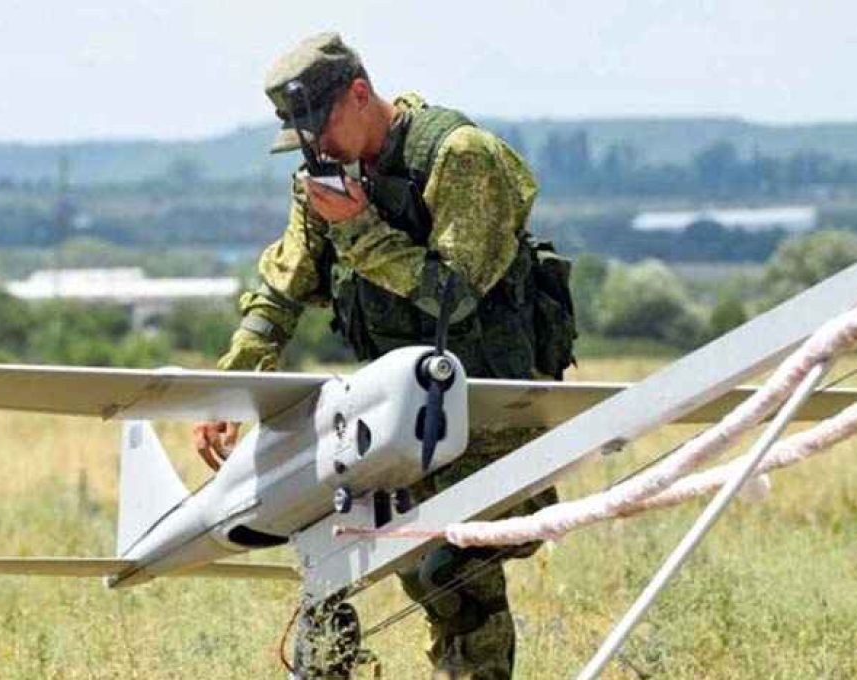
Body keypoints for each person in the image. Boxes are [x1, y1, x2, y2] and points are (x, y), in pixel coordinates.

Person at [192, 33, 576, 679]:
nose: (316, 150)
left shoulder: (460, 157)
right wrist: (227, 388)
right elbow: (280, 288)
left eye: (321, 129)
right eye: (303, 139)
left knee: (454, 569)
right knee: (366, 563)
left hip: (489, 410)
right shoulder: (325, 177)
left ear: (361, 94)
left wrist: (358, 229)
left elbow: (452, 296)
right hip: (395, 418)